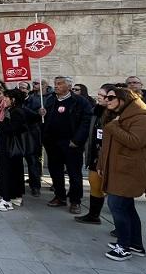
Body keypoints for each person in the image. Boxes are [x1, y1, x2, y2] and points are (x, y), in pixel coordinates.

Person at [98, 87, 146, 261]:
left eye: (111, 97)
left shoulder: (142, 117)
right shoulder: (117, 116)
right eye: (106, 97)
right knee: (127, 208)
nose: (107, 100)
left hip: (129, 171)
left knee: (117, 207)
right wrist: (100, 163)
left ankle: (123, 246)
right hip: (116, 169)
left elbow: (136, 142)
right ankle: (135, 244)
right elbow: (107, 144)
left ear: (124, 99)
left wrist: (114, 126)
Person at [41, 76, 92, 214]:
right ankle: (60, 196)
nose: (56, 86)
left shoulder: (80, 101)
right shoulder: (50, 100)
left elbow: (86, 121)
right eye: (55, 84)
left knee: (74, 173)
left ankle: (75, 201)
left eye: (60, 84)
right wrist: (42, 114)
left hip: (71, 143)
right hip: (53, 143)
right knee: (55, 171)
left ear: (69, 87)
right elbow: (45, 119)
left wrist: (77, 140)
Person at [0, 89, 39, 211]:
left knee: (7, 172)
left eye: (7, 97)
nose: (4, 99)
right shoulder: (17, 110)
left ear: (13, 100)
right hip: (12, 147)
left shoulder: (16, 111)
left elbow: (12, 128)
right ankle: (15, 196)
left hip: (10, 147)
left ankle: (7, 200)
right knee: (14, 172)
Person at [75, 84, 115, 225]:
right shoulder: (96, 111)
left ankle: (122, 227)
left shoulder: (114, 115)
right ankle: (93, 215)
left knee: (114, 193)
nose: (99, 97)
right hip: (95, 154)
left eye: (103, 95)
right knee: (94, 184)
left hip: (108, 157)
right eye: (98, 94)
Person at [18, 81, 42, 197]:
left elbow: (36, 116)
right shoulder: (15, 101)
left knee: (32, 162)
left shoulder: (35, 101)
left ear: (28, 90)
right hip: (18, 134)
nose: (21, 90)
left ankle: (35, 186)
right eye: (20, 88)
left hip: (30, 135)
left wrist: (23, 108)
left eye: (24, 88)